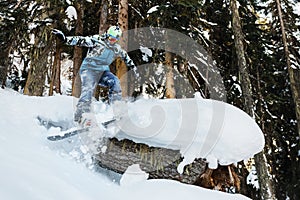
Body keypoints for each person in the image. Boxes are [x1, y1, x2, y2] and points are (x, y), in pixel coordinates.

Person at [52, 26, 138, 127]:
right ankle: (81, 114)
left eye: (115, 39)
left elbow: (125, 56)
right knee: (88, 87)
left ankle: (117, 109)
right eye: (110, 38)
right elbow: (81, 40)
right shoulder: (97, 40)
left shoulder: (116, 49)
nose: (112, 41)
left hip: (102, 72)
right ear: (107, 35)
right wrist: (65, 39)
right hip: (89, 70)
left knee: (115, 81)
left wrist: (133, 67)